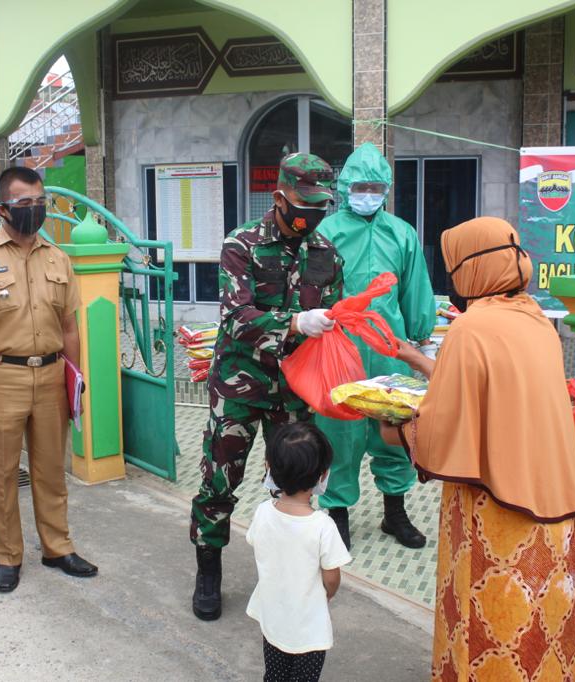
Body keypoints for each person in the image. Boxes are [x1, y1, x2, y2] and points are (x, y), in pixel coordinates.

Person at [381, 217, 575, 680]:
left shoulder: (472, 328)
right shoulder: (534, 318)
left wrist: (398, 430)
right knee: (542, 634)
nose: (453, 281)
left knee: (489, 635)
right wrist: (416, 358)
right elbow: (489, 390)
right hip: (555, 513)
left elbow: (443, 428)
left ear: (473, 269)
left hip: (496, 515)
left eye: (454, 269)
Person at [191, 152, 345, 621]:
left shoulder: (326, 254)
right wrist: (297, 321)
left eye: (321, 205)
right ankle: (208, 570)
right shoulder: (242, 244)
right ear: (279, 197)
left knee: (294, 486)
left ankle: (287, 572)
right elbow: (236, 317)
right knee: (220, 481)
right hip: (240, 385)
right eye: (305, 203)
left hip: (295, 393)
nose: (312, 214)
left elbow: (333, 320)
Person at [0, 165, 97, 594]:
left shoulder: (58, 258)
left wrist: (76, 385)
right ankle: (8, 556)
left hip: (51, 377)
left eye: (39, 202)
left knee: (51, 471)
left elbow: (70, 328)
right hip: (0, 379)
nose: (34, 210)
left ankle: (57, 546)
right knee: (1, 474)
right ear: (4, 207)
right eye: (24, 203)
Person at [315, 142, 435, 550]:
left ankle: (394, 512)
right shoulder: (326, 233)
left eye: (375, 186)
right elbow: (313, 293)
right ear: (345, 184)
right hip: (340, 348)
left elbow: (415, 289)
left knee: (395, 428)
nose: (368, 193)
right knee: (338, 432)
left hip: (389, 348)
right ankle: (336, 514)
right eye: (361, 185)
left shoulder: (402, 233)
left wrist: (419, 337)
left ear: (385, 188)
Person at [246, 422, 351, 682]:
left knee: (274, 675)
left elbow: (258, 544)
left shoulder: (263, 512)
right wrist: (329, 593)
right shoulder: (322, 527)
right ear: (322, 475)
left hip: (273, 616)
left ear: (268, 468)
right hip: (308, 628)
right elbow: (331, 577)